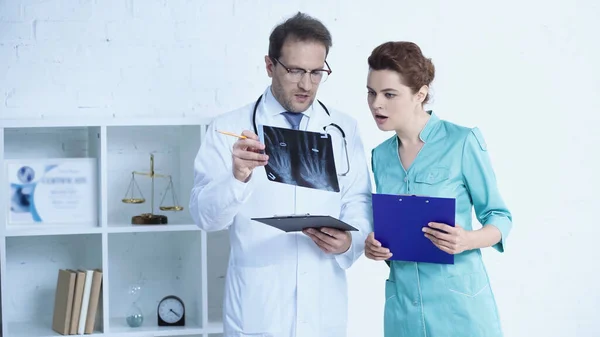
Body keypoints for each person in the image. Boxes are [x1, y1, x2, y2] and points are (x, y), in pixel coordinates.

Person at [189, 12, 372, 337]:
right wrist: (238, 176)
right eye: (295, 71)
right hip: (259, 311)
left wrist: (349, 242)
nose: (306, 84)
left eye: (317, 72)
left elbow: (358, 201)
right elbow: (206, 218)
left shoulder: (343, 129)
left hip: (322, 310)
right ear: (270, 65)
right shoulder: (227, 129)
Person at [364, 41, 513, 337]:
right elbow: (392, 233)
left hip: (460, 310)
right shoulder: (380, 157)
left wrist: (468, 240)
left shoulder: (462, 142)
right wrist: (374, 247)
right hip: (402, 312)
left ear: (420, 94)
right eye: (371, 92)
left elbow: (500, 217)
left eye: (389, 94)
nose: (376, 104)